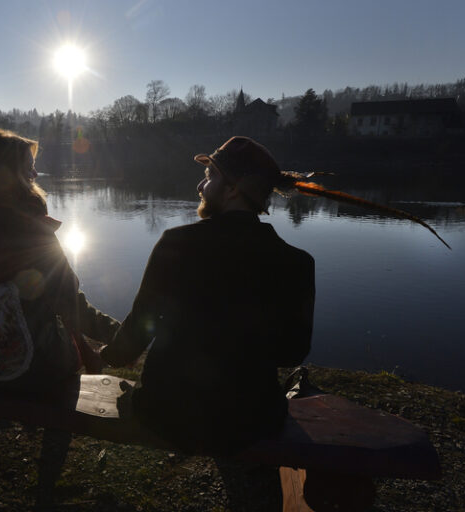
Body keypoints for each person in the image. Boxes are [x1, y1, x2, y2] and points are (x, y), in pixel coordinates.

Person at [100, 136, 315, 508]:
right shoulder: (298, 262)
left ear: (232, 190)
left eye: (210, 176)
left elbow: (139, 328)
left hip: (167, 412)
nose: (200, 186)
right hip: (250, 421)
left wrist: (110, 355)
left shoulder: (175, 243)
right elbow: (292, 351)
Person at [0, 129, 118, 507]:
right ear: (9, 175)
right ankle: (53, 461)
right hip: (38, 370)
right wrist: (123, 335)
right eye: (29, 168)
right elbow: (74, 305)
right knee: (67, 348)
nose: (36, 175)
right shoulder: (34, 230)